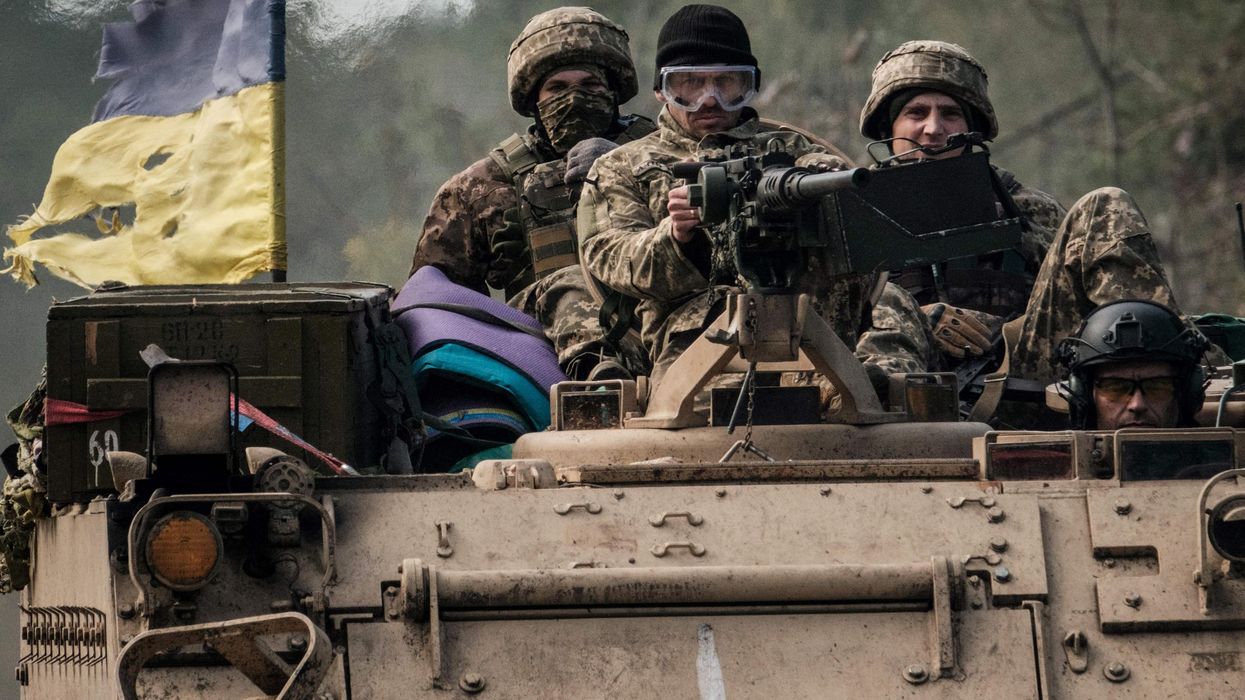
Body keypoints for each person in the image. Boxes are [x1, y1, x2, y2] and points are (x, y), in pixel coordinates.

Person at [579, 4, 934, 404]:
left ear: (750, 87)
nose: (709, 100)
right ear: (661, 89)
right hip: (696, 360)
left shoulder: (798, 153)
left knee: (849, 411)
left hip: (817, 344)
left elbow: (859, 237)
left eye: (727, 83)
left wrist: (809, 188)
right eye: (690, 85)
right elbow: (611, 258)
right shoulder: (623, 167)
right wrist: (677, 239)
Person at [860, 40, 1221, 404]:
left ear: (973, 128)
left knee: (1106, 205)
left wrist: (1007, 336)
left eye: (951, 113)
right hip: (906, 399)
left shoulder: (1027, 209)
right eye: (916, 112)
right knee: (885, 298)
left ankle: (1190, 377)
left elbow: (1069, 306)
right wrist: (919, 319)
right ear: (889, 126)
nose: (933, 128)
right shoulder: (850, 214)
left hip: (1019, 376)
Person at [409, 7, 654, 380]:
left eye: (590, 85)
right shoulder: (480, 189)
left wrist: (625, 166)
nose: (574, 100)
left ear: (613, 93)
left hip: (659, 338)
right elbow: (436, 304)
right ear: (534, 99)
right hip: (538, 360)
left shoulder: (662, 155)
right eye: (557, 88)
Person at [1058, 299, 1210, 430]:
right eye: (1115, 388)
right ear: (1086, 397)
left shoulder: (1224, 462)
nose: (1137, 405)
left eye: (1157, 387)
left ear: (1184, 395)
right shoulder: (1059, 462)